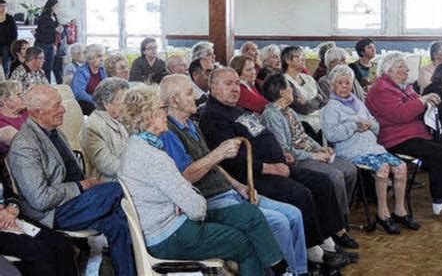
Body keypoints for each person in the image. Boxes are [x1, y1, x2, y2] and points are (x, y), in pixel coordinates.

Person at [118, 85, 288, 276]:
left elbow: (179, 194)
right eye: (161, 109)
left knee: (247, 215)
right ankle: (279, 267)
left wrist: (182, 199)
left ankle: (279, 266)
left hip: (166, 227)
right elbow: (198, 210)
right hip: (171, 236)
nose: (165, 113)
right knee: (243, 243)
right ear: (149, 116)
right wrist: (187, 198)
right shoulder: (154, 157)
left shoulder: (134, 147)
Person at [200, 67, 358, 271]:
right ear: (212, 87)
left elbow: (260, 134)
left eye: (237, 83)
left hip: (278, 163)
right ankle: (313, 253)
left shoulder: (236, 109)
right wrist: (269, 167)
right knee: (300, 194)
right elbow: (231, 160)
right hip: (254, 175)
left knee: (322, 182)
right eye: (228, 84)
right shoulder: (213, 117)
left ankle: (328, 242)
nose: (235, 88)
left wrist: (280, 155)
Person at [159, 74, 311, 274]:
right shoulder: (170, 132)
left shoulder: (191, 125)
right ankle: (283, 271)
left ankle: (300, 270)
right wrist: (219, 153)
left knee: (294, 213)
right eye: (189, 93)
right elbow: (185, 176)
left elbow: (213, 165)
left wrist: (238, 186)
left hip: (228, 191)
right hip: (208, 200)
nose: (195, 97)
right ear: (174, 101)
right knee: (279, 222)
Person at [6, 85, 136, 276]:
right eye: (57, 105)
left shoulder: (54, 132)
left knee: (119, 224)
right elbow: (40, 199)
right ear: (37, 112)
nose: (64, 109)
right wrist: (81, 186)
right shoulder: (24, 145)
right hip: (52, 213)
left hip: (76, 203)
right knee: (117, 190)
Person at [366, 52, 442, 222]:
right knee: (439, 153)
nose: (407, 69)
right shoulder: (380, 89)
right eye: (401, 66)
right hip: (396, 138)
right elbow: (400, 114)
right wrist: (423, 100)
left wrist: (429, 103)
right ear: (388, 70)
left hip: (419, 133)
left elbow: (417, 108)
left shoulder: (406, 88)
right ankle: (441, 204)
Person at [321, 65, 420, 234]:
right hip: (351, 151)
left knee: (401, 167)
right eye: (340, 82)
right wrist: (355, 125)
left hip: (373, 148)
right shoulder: (330, 107)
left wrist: (370, 125)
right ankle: (383, 213)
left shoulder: (357, 102)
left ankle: (400, 211)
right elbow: (331, 134)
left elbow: (376, 125)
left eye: (348, 82)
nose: (345, 86)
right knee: (383, 169)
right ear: (332, 85)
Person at [261, 73, 358, 244]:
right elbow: (285, 149)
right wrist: (314, 155)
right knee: (334, 176)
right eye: (289, 87)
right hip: (298, 159)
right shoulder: (272, 115)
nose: (292, 90)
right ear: (282, 92)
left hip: (309, 152)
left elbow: (303, 136)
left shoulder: (289, 110)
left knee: (350, 169)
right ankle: (338, 228)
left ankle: (341, 215)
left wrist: (320, 147)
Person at [0, 176, 79, 276]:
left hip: (11, 218)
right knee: (42, 252)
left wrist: (12, 208)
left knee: (62, 243)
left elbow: (9, 193)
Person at [81, 78, 129, 181]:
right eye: (121, 99)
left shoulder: (124, 119)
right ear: (106, 104)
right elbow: (107, 166)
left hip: (129, 178)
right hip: (111, 183)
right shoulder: (93, 126)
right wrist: (140, 170)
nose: (126, 103)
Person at [282, 46, 328, 133]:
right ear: (288, 60)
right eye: (298, 56)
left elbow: (325, 100)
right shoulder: (284, 81)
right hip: (303, 126)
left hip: (322, 120)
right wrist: (318, 98)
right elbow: (304, 109)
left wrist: (309, 102)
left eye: (303, 55)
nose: (303, 59)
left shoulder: (309, 78)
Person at [72, 44, 107, 115]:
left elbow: (106, 87)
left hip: (99, 101)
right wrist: (95, 100)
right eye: (98, 56)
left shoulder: (103, 70)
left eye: (102, 56)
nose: (102, 59)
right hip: (85, 103)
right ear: (91, 58)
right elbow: (79, 93)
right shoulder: (81, 72)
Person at [34, 0, 63, 82]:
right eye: (56, 6)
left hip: (51, 44)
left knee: (49, 67)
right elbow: (43, 30)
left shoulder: (54, 16)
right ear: (51, 6)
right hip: (42, 44)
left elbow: (56, 26)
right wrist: (55, 30)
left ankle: (48, 84)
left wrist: (60, 28)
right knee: (42, 66)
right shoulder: (43, 16)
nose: (58, 8)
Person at [0, 81, 27, 155]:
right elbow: (21, 144)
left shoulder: (27, 112)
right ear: (4, 100)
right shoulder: (1, 122)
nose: (23, 96)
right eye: (18, 94)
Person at [0, 0, 18, 75]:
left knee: (5, 62)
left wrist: (10, 44)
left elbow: (14, 33)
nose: (3, 8)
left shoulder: (10, 18)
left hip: (6, 44)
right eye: (0, 6)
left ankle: (5, 77)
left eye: (4, 6)